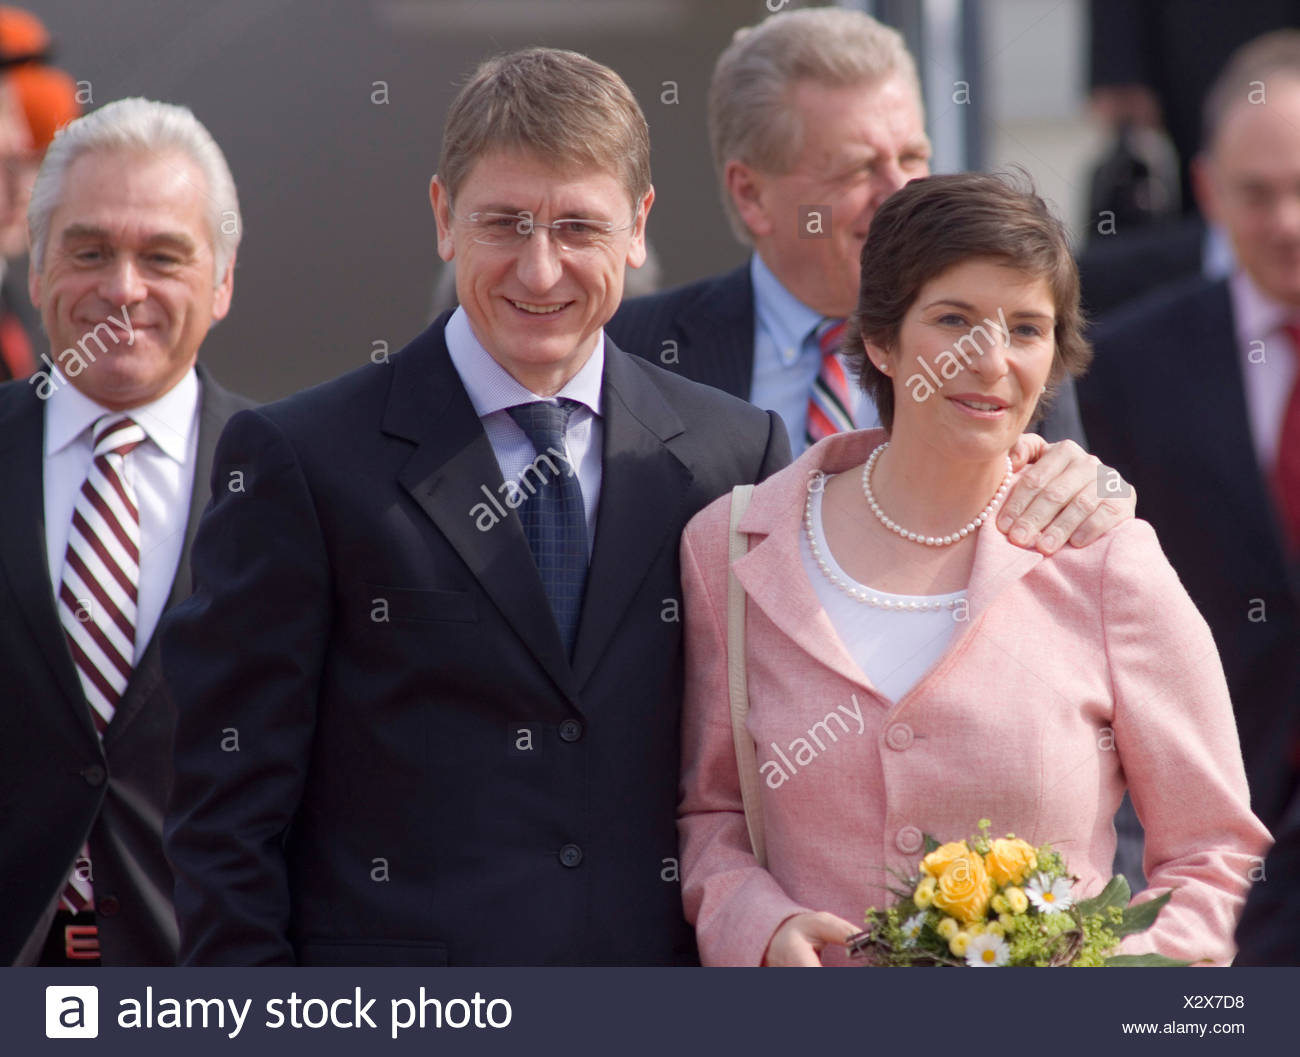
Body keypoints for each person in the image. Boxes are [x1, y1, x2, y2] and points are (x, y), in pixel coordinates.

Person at [677, 172, 1270, 967]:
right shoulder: (737, 548)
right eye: (954, 319)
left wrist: (1126, 981)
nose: (991, 360)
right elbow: (710, 814)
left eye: (1027, 329)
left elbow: (1217, 853)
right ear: (882, 339)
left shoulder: (1107, 559)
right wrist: (759, 928)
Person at [608, 7, 1086, 462]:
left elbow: (1059, 518)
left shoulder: (1007, 347)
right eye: (858, 169)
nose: (900, 192)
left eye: (912, 158)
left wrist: (1087, 488)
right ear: (752, 195)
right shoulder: (631, 350)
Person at [0, 97, 251, 965]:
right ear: (37, 268)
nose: (124, 288)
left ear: (221, 280)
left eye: (163, 255)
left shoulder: (304, 485)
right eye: (90, 250)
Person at [1080, 31, 1300, 839]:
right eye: (1258, 192)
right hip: (1204, 826)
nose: (1287, 222)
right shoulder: (1123, 367)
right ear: (1206, 189)